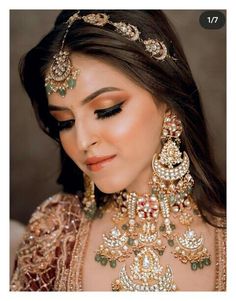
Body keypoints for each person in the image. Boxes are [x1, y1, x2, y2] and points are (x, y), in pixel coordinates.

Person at [10, 10, 226, 291]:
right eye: (65, 122)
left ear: (169, 105)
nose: (83, 140)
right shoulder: (55, 232)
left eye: (107, 109)